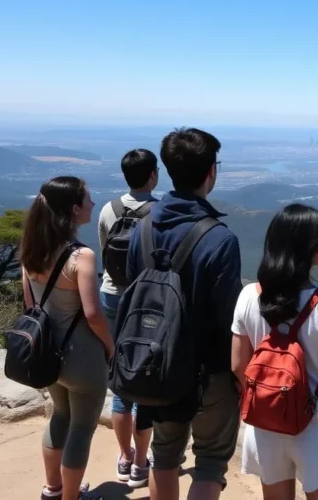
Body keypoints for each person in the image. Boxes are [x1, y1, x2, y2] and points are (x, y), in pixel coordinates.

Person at [125, 127, 243, 500]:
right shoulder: (220, 239)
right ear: (211, 172)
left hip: (154, 365)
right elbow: (228, 318)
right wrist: (239, 375)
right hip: (208, 370)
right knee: (209, 461)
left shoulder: (142, 229)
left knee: (164, 457)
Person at [231, 204, 318, 500]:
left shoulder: (248, 296)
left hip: (266, 423)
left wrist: (269, 397)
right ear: (314, 249)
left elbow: (238, 364)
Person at [19, 176, 114, 500]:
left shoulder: (31, 252)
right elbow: (92, 314)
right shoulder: (81, 257)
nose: (93, 203)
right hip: (83, 358)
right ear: (74, 210)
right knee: (82, 428)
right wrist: (112, 347)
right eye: (88, 199)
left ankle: (53, 489)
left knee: (60, 416)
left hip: (45, 353)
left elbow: (31, 307)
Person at [97, 148, 159, 488]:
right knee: (143, 378)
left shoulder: (109, 209)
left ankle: (124, 457)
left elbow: (105, 251)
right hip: (145, 301)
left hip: (111, 295)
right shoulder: (159, 212)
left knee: (120, 380)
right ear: (153, 176)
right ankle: (140, 461)